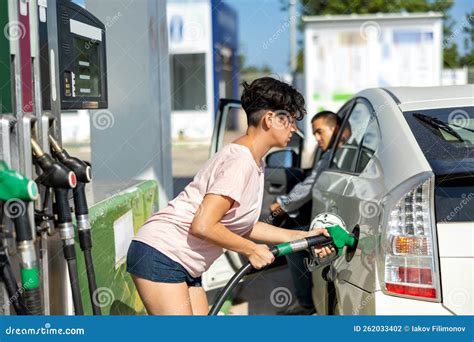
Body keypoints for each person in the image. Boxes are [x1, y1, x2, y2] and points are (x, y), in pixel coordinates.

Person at [126, 77, 334, 315]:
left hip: (184, 262)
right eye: (289, 121)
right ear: (270, 119)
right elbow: (203, 225)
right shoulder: (240, 161)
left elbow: (244, 226)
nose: (294, 129)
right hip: (162, 252)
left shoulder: (254, 161)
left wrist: (305, 237)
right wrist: (251, 250)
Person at [269, 111, 349, 315]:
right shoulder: (337, 154)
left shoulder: (339, 155)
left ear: (338, 130)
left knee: (293, 247)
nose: (317, 138)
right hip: (335, 220)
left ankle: (306, 304)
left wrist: (281, 205)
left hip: (338, 224)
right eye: (314, 134)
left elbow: (308, 187)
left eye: (320, 132)